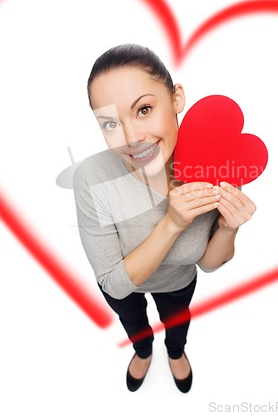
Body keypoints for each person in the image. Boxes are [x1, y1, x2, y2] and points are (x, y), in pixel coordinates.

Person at [72, 44, 257, 393]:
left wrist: (229, 228)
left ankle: (175, 351)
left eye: (143, 109)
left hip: (178, 283)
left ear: (176, 99)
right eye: (111, 123)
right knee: (134, 324)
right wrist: (172, 223)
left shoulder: (213, 163)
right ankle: (142, 352)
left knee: (177, 322)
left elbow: (209, 264)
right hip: (126, 291)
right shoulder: (92, 178)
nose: (131, 138)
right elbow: (113, 283)